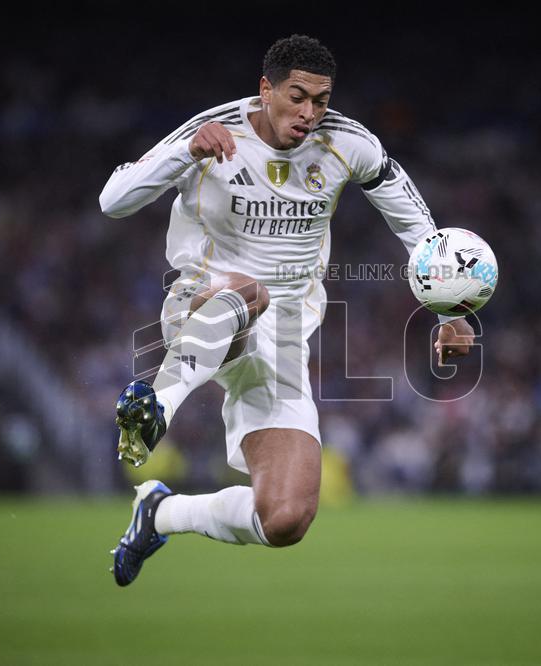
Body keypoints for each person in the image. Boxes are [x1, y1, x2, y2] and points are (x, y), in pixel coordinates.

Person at [98, 34, 476, 587]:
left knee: (285, 517)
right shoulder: (215, 128)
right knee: (251, 291)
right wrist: (187, 152)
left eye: (320, 101)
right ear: (265, 88)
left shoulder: (350, 144)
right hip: (201, 305)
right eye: (297, 96)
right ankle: (155, 406)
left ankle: (160, 513)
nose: (309, 113)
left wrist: (451, 311)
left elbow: (415, 226)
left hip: (285, 341)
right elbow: (114, 200)